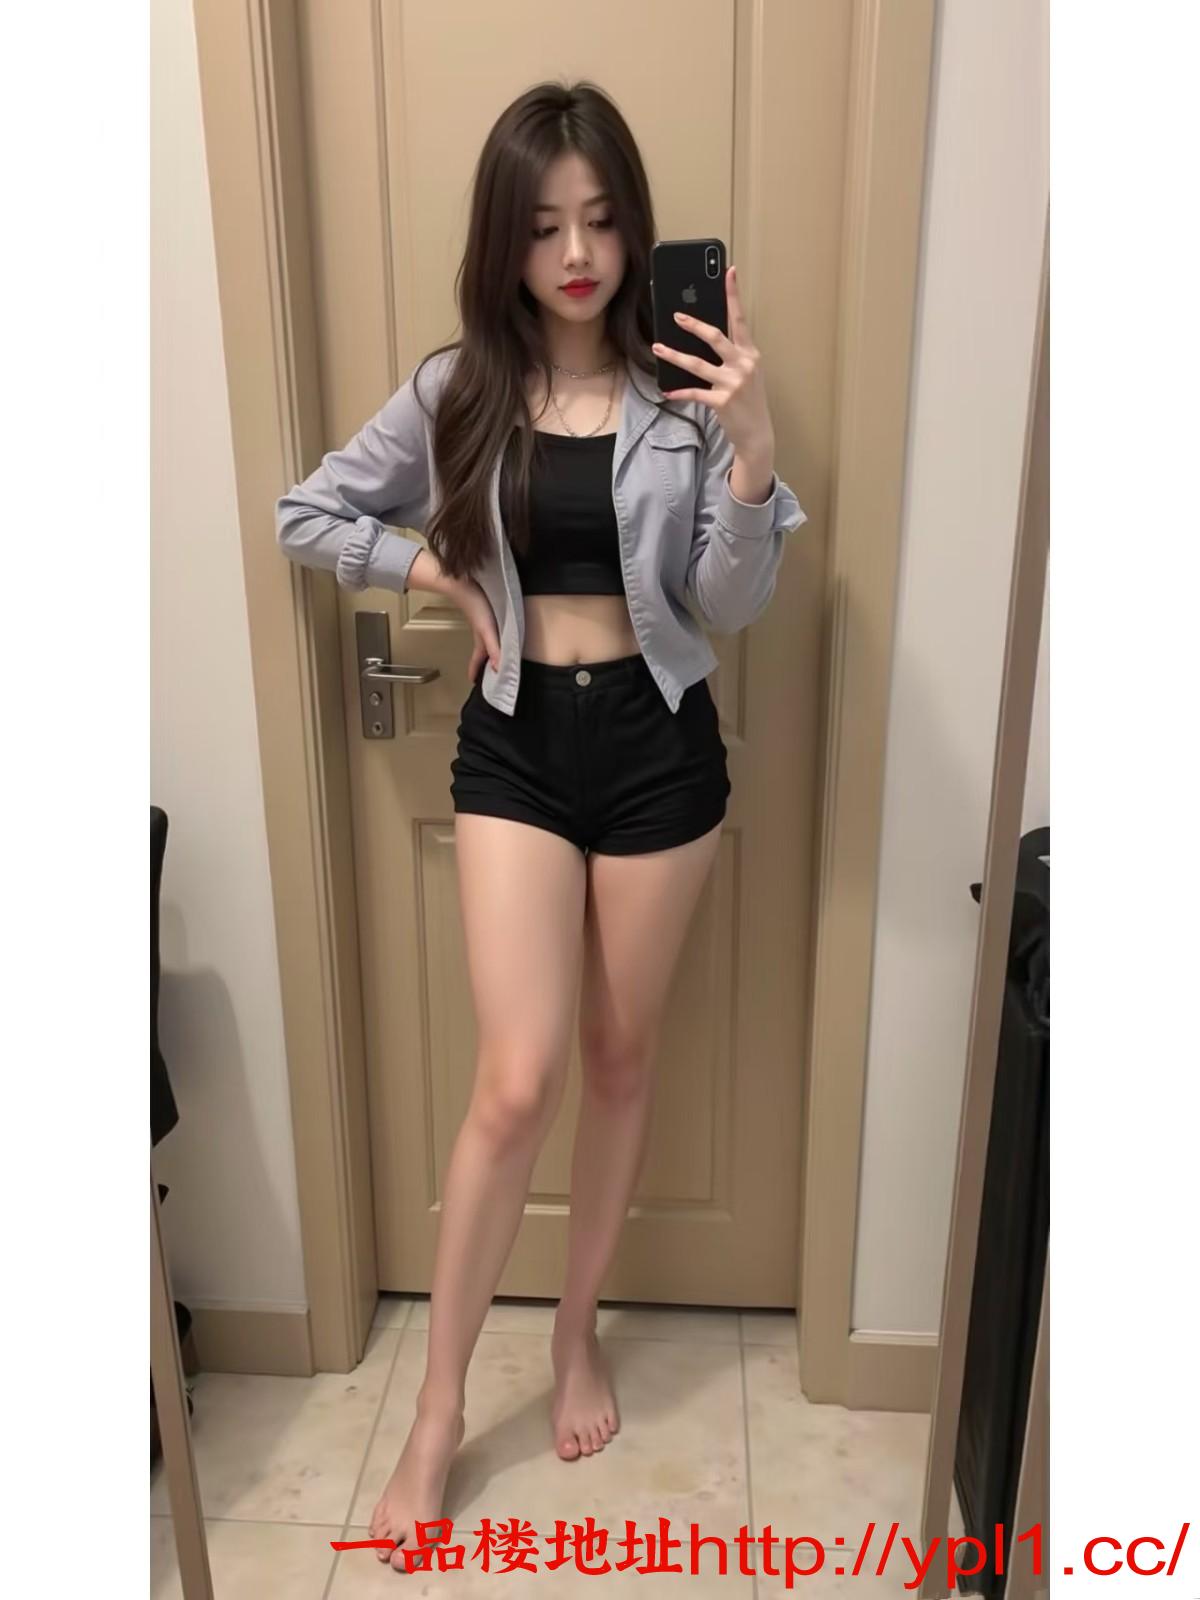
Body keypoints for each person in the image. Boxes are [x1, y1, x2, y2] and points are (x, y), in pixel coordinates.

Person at [275, 79, 806, 1573]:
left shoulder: (684, 391)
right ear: (504, 240)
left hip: (657, 746)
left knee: (622, 1059)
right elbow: (306, 513)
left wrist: (753, 454)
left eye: (600, 220)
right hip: (513, 744)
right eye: (543, 225)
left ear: (634, 231)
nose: (576, 253)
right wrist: (431, 573)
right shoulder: (459, 389)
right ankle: (440, 1404)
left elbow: (730, 603)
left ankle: (576, 1333)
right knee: (516, 1084)